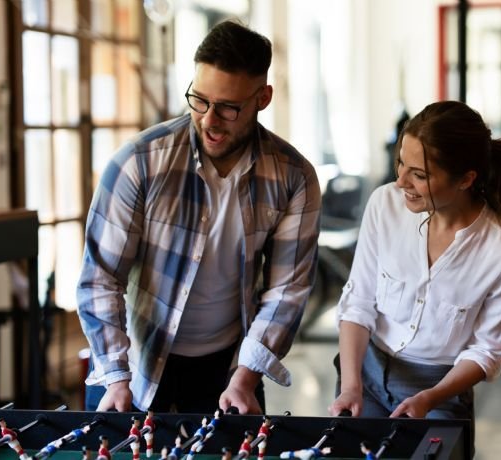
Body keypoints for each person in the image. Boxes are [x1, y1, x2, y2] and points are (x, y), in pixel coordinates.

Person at [77, 19, 321, 414]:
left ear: (263, 98)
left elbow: (286, 291)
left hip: (230, 369)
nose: (209, 120)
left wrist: (245, 378)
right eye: (200, 99)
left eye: (227, 107)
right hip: (134, 364)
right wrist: (116, 375)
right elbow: (101, 278)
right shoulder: (139, 162)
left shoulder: (294, 177)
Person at [329, 101, 501, 431]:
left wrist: (430, 397)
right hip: (363, 374)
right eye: (400, 165)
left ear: (465, 179)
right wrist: (351, 386)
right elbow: (358, 302)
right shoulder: (385, 205)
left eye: (419, 175)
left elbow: (487, 350)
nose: (400, 182)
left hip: (441, 391)